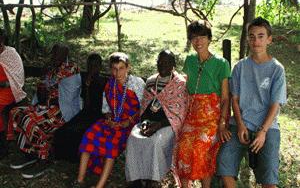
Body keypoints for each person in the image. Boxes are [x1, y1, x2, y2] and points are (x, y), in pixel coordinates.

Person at [216, 17, 287, 188]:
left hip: (267, 127)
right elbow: (234, 99)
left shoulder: (277, 69)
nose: (256, 41)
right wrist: (240, 125)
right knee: (224, 165)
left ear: (269, 39)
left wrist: (262, 132)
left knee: (269, 179)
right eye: (252, 36)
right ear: (248, 38)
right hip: (241, 123)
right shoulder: (240, 67)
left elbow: (275, 105)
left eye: (261, 36)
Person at [7, 43, 81, 178]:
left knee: (28, 119)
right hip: (44, 106)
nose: (55, 57)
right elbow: (41, 90)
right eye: (54, 54)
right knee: (16, 112)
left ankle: (44, 158)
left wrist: (47, 88)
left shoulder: (71, 69)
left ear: (66, 56)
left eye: (58, 55)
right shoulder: (50, 67)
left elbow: (68, 97)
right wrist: (44, 82)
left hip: (62, 110)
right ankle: (29, 153)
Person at [73, 52, 145, 188]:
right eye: (114, 69)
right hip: (113, 121)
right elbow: (105, 108)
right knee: (89, 134)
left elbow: (143, 108)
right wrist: (109, 118)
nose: (117, 73)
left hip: (131, 124)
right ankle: (80, 180)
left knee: (111, 143)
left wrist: (127, 121)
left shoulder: (137, 83)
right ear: (110, 69)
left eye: (121, 68)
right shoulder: (109, 85)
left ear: (128, 68)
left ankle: (99, 186)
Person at [175, 20, 232, 188]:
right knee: (183, 146)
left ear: (209, 39)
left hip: (212, 116)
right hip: (192, 114)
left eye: (202, 37)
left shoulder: (221, 63)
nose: (198, 42)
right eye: (193, 38)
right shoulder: (190, 60)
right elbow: (184, 87)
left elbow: (225, 98)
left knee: (201, 146)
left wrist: (222, 123)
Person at [125, 50, 188, 188]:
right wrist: (145, 122)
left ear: (173, 65)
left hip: (169, 124)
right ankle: (136, 178)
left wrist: (158, 125)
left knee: (155, 142)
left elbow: (180, 114)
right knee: (133, 138)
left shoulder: (180, 84)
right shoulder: (151, 81)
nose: (162, 65)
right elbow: (146, 107)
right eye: (160, 62)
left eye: (167, 63)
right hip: (149, 122)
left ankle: (153, 179)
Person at [53, 53, 106, 162]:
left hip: (100, 115)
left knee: (78, 131)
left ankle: (76, 159)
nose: (92, 69)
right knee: (64, 130)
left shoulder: (104, 82)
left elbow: (104, 107)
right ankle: (63, 157)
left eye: (95, 66)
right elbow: (86, 105)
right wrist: (87, 87)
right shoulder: (85, 79)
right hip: (86, 112)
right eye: (90, 66)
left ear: (100, 67)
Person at [0, 28, 27, 159]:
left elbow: (16, 80)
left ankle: (4, 146)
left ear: (2, 40)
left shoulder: (10, 54)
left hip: (9, 91)